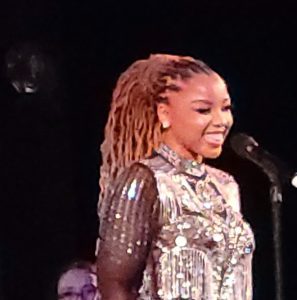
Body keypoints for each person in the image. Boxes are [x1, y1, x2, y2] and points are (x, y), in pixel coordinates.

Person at [96, 54, 255, 300]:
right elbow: (115, 284)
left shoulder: (226, 186)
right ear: (164, 113)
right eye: (203, 110)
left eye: (226, 108)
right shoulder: (147, 180)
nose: (222, 121)